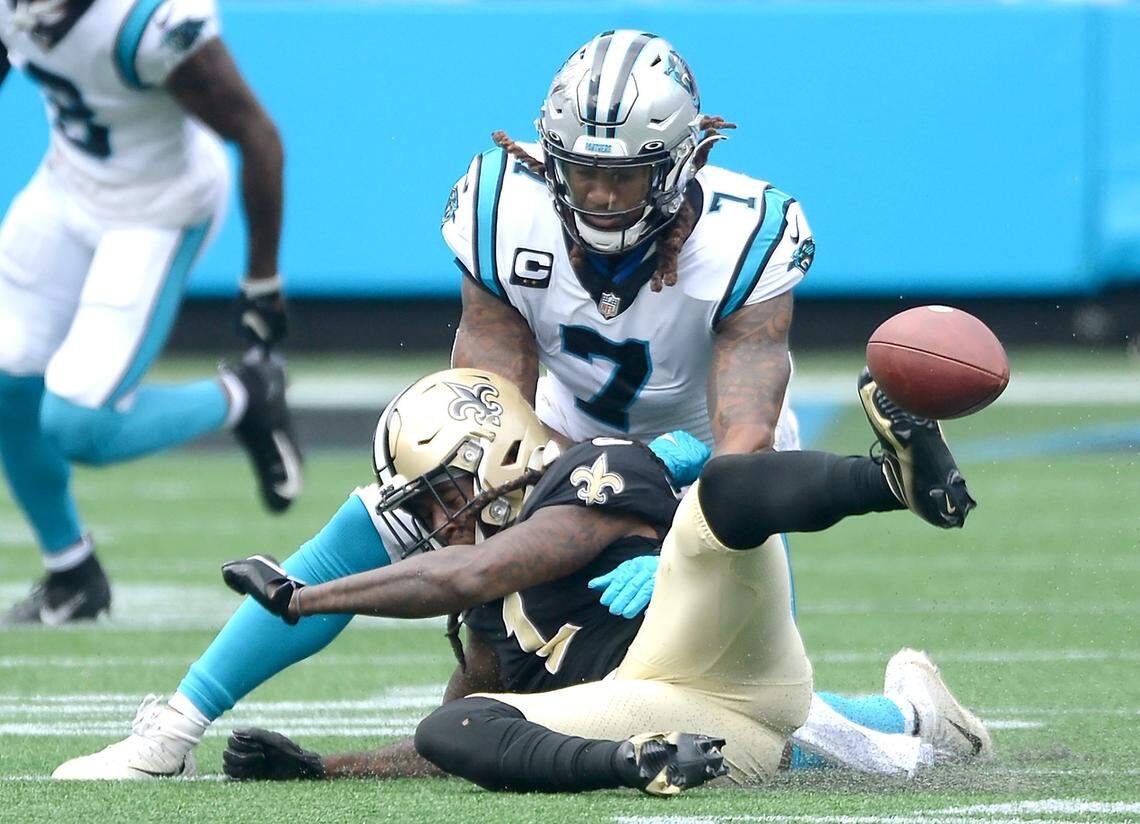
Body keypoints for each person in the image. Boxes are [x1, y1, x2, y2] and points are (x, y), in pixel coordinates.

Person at [443, 29, 972, 768]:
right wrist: (501, 501)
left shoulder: (744, 233)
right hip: (560, 449)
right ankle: (252, 652)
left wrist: (675, 536)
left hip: (710, 468)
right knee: (540, 662)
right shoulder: (504, 205)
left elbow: (744, 439)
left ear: (678, 163)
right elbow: (486, 406)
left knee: (742, 695)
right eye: (583, 170)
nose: (600, 195)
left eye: (626, 175)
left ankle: (909, 724)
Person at [216, 367, 989, 790]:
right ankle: (642, 764)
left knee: (724, 486)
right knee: (450, 726)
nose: (436, 522)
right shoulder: (488, 609)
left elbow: (472, 569)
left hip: (721, 649)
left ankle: (892, 482)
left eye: (438, 498)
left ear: (496, 456)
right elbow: (456, 737)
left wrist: (302, 597)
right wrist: (326, 768)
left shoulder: (588, 473)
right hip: (666, 717)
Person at [0, 0, 301, 625]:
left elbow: (259, 137)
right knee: (6, 377)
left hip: (157, 208)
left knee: (79, 424)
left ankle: (244, 394)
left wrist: (262, 281)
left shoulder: (150, 24)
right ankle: (72, 574)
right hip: (67, 183)